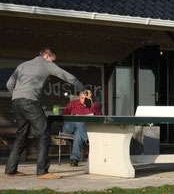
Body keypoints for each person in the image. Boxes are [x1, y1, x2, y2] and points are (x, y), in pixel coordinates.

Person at [4, 48, 87, 179]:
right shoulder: (46, 64)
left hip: (16, 102)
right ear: (47, 56)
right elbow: (67, 76)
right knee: (44, 133)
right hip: (30, 102)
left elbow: (9, 84)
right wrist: (83, 88)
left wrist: (17, 94)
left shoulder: (23, 65)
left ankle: (10, 170)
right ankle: (42, 171)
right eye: (53, 60)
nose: (53, 62)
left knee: (22, 135)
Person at [61, 90, 102, 166]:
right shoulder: (72, 104)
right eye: (82, 98)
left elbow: (100, 119)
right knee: (79, 121)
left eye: (86, 98)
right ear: (79, 96)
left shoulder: (94, 105)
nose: (83, 100)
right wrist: (70, 117)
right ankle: (87, 139)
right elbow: (63, 116)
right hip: (68, 128)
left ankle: (74, 159)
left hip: (83, 129)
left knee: (78, 133)